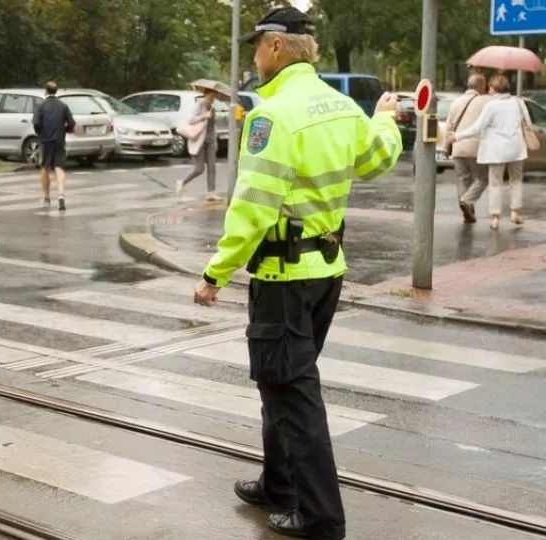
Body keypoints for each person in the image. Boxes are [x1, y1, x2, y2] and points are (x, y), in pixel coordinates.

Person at [192, 7, 401, 539]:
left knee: (292, 394)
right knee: (279, 384)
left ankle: (320, 517)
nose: (253, 57)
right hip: (325, 272)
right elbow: (378, 158)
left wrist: (215, 273)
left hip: (283, 278)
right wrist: (384, 117)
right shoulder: (342, 106)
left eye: (255, 47)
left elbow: (254, 207)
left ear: (277, 47)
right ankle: (278, 485)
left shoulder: (273, 115)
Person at [448, 74, 529, 230]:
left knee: (495, 183)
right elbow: (527, 123)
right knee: (516, 180)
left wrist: (457, 136)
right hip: (516, 149)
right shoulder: (518, 103)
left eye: (490, 88)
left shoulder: (491, 105)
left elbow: (477, 127)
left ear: (494, 88)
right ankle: (514, 212)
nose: (489, 90)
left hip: (497, 151)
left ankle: (495, 218)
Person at [445, 73, 492, 224]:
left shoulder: (456, 102)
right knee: (483, 178)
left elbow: (449, 127)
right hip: (476, 148)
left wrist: (447, 147)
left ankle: (468, 211)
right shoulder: (486, 101)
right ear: (480, 85)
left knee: (463, 179)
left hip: (458, 147)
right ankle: (467, 201)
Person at [32, 81, 75, 211]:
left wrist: (41, 134)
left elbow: (36, 124)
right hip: (59, 140)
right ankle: (61, 195)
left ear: (46, 90)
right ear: (56, 91)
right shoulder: (63, 106)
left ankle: (46, 198)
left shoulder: (41, 106)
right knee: (59, 167)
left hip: (45, 141)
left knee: (44, 167)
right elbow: (72, 123)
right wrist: (65, 130)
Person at [177, 89, 220, 201]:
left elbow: (212, 127)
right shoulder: (199, 105)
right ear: (205, 95)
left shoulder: (212, 108)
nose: (212, 98)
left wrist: (215, 142)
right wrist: (204, 116)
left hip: (210, 142)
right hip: (199, 141)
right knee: (199, 169)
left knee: (212, 167)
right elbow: (190, 120)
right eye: (210, 96)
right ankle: (182, 182)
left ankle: (211, 192)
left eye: (214, 96)